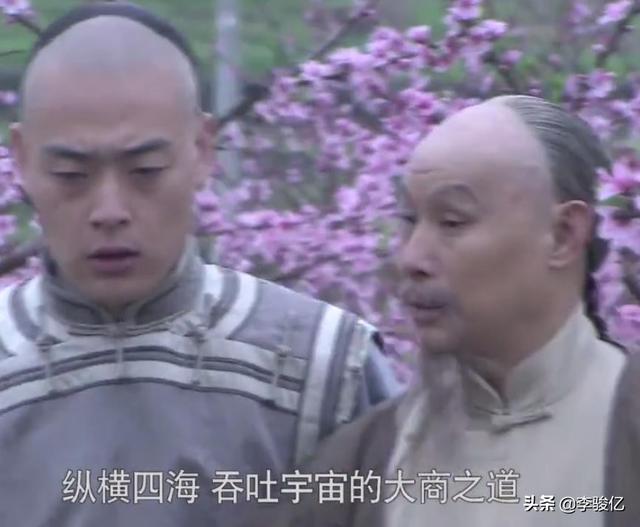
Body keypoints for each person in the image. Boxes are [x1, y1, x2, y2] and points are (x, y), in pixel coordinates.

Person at [0, 3, 400, 526]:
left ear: (203, 150)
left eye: (146, 170)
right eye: (71, 175)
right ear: (22, 159)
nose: (109, 211)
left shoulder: (324, 366)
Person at [239, 95, 635, 527]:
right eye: (410, 220)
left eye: (452, 221)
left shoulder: (625, 422)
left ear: (563, 235)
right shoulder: (362, 461)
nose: (411, 258)